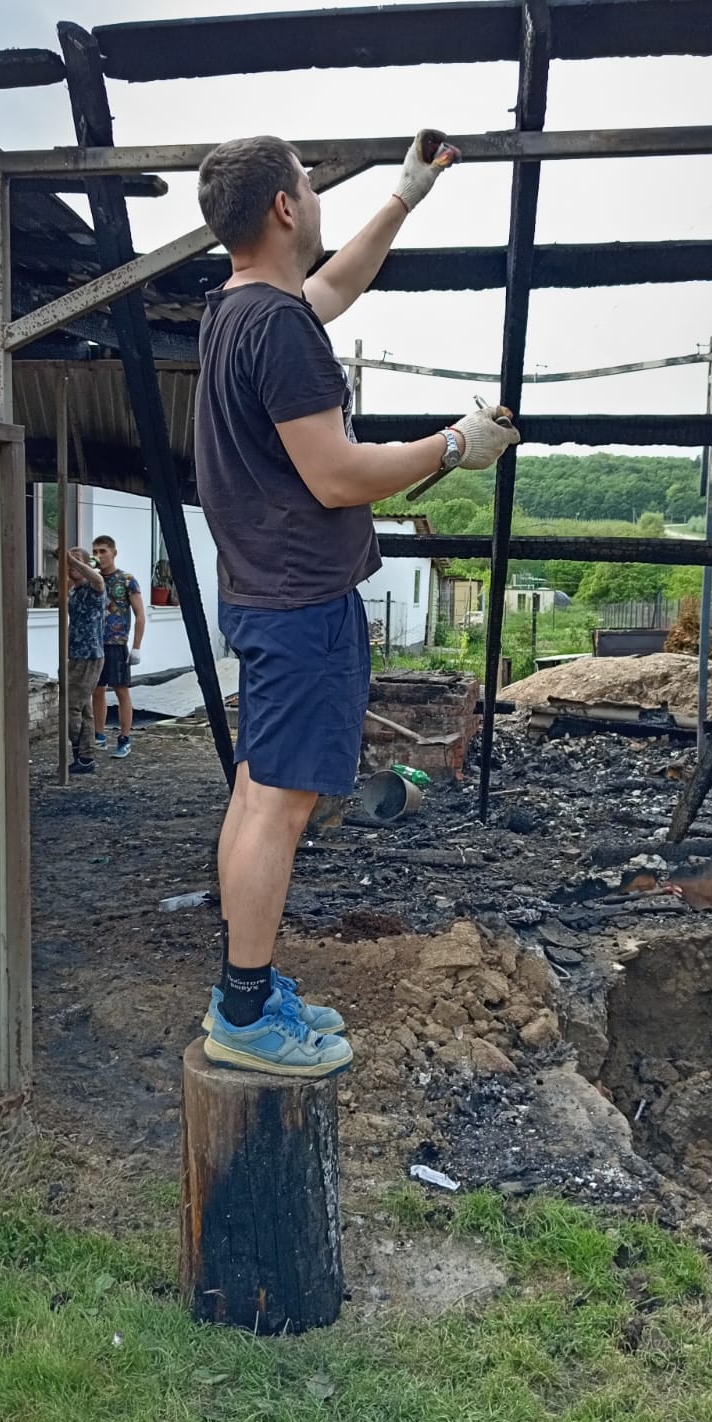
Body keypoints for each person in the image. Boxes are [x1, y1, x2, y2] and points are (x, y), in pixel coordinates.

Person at [193, 130, 520, 1076]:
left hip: (262, 590)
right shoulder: (279, 329)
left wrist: (404, 198)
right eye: (309, 185)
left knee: (258, 792)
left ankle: (245, 988)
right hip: (301, 601)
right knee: (279, 806)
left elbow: (335, 284)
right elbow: (336, 476)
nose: (315, 198)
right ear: (285, 206)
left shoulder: (236, 311)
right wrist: (454, 446)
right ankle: (245, 1015)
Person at [91, 534, 145, 759]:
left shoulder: (127, 580)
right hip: (95, 643)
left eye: (103, 551)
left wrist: (136, 646)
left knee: (121, 690)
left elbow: (140, 614)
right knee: (97, 690)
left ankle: (124, 738)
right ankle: (99, 735)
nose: (99, 556)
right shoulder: (92, 579)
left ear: (114, 552)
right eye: (95, 552)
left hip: (116, 642)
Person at [66, 546, 105, 775]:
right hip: (75, 654)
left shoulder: (94, 588)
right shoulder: (74, 591)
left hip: (89, 654)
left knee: (71, 705)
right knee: (83, 709)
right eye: (69, 564)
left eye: (76, 562)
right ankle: (85, 757)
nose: (71, 567)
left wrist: (74, 561)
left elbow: (97, 579)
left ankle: (76, 747)